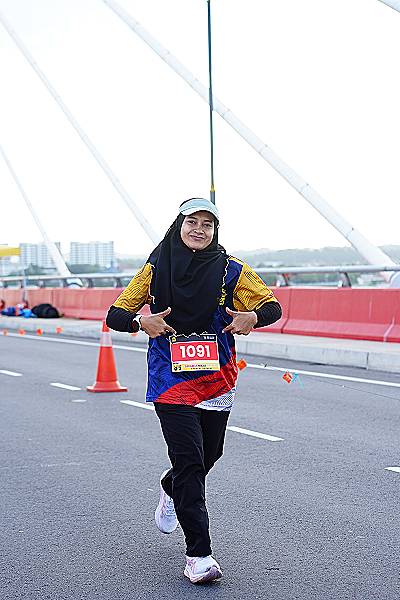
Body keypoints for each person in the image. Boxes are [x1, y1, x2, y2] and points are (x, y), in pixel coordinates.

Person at [106, 198, 282, 584]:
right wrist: (140, 322)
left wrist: (253, 317)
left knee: (208, 456)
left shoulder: (231, 270)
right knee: (190, 463)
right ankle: (198, 556)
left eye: (207, 224)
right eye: (192, 222)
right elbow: (115, 314)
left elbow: (272, 306)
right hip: (170, 380)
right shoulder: (156, 269)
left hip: (217, 379)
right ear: (179, 225)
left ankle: (170, 487)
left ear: (215, 230)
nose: (199, 229)